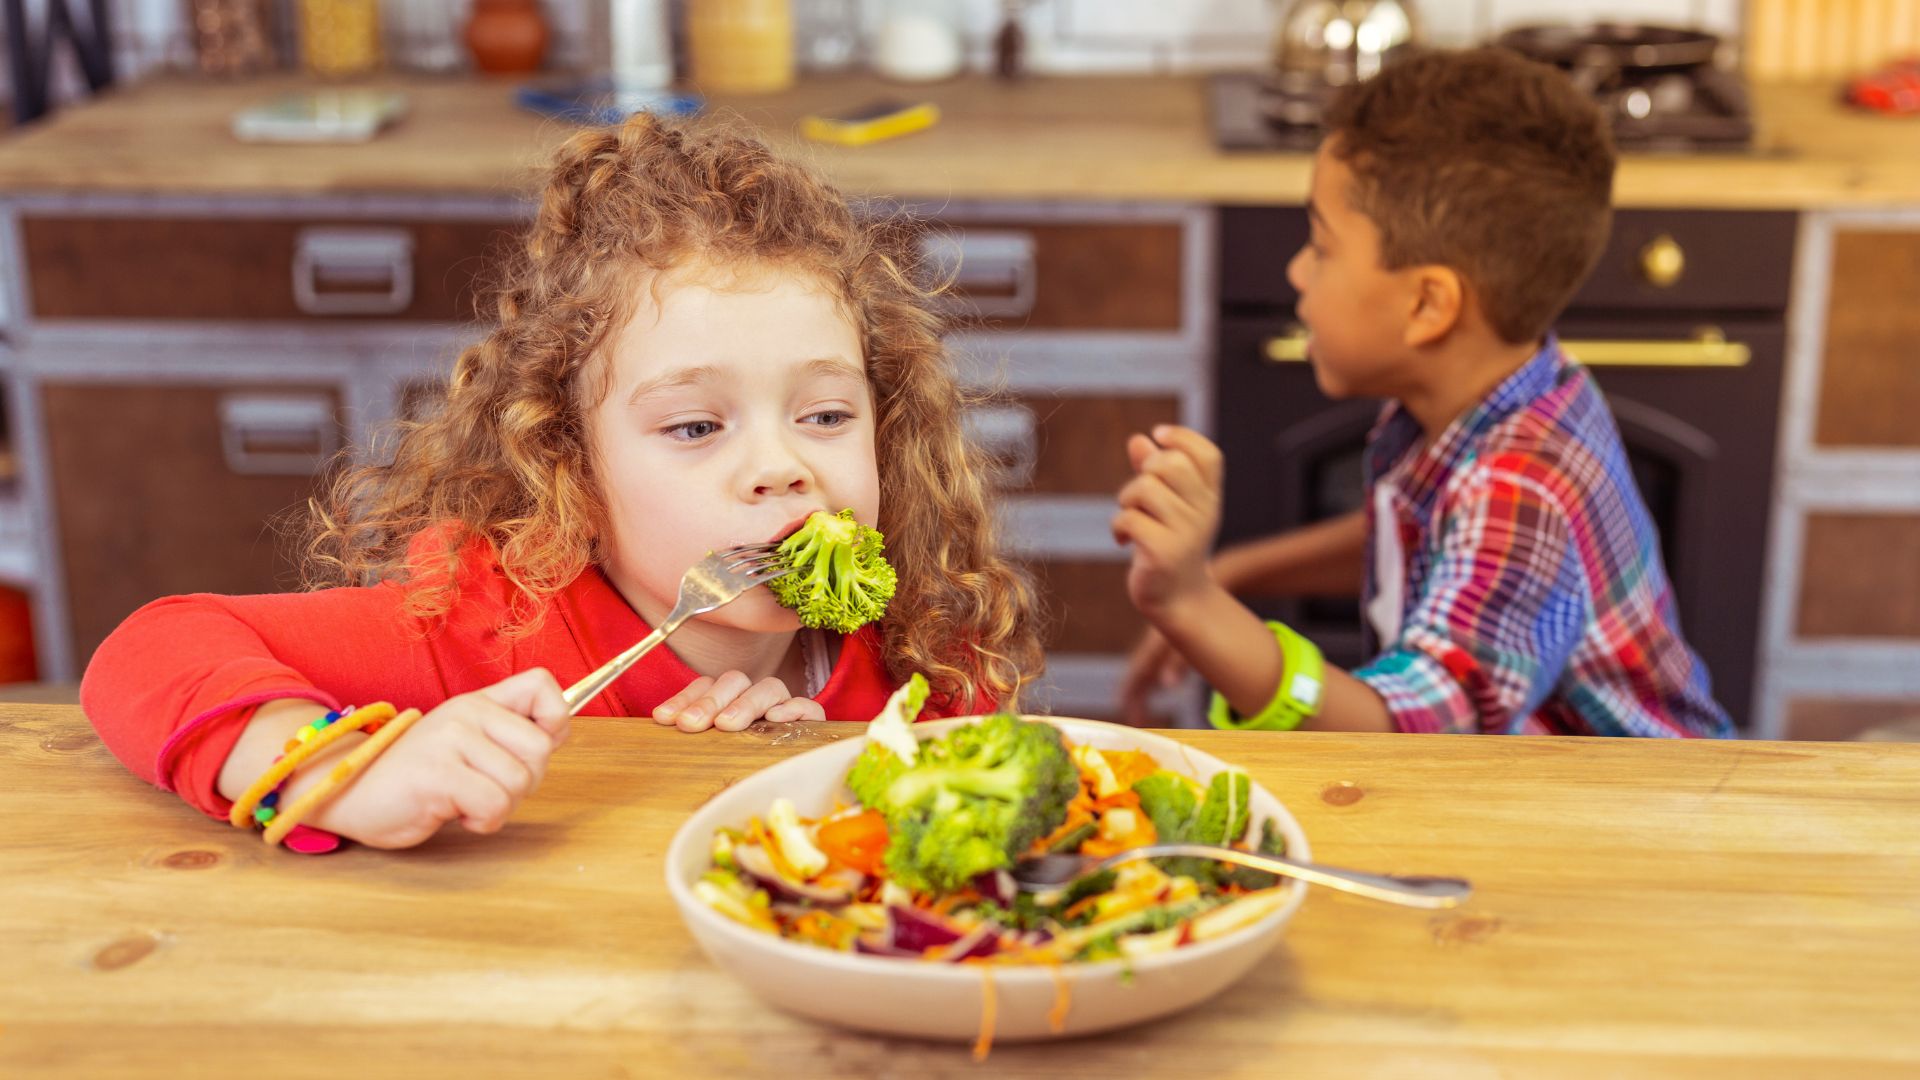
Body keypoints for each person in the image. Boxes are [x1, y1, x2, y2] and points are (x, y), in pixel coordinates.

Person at [82, 115, 1043, 850]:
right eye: (697, 425)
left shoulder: (930, 663)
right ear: (571, 467)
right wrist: (342, 770)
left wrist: (812, 777)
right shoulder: (481, 625)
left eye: (826, 416)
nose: (781, 467)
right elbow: (150, 648)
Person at [1115, 48, 1732, 738]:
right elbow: (1424, 539)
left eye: (1321, 246)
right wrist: (1234, 570)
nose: (1296, 271)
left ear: (1427, 306)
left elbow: (1402, 737)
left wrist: (1193, 605)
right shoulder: (1497, 392)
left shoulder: (1525, 489)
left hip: (1632, 829)